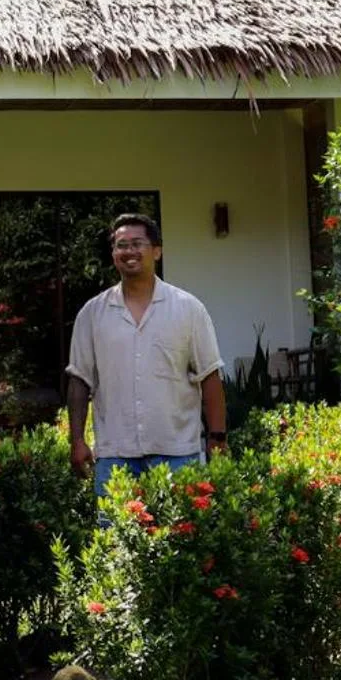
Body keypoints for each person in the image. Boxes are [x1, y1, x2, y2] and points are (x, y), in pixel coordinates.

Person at [65, 213, 226, 503]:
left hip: (177, 452)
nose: (128, 251)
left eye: (137, 243)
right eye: (120, 245)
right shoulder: (92, 314)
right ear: (113, 253)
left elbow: (210, 377)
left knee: (179, 540)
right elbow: (79, 381)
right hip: (114, 456)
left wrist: (217, 438)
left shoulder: (188, 309)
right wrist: (76, 440)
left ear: (157, 250)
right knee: (115, 543)